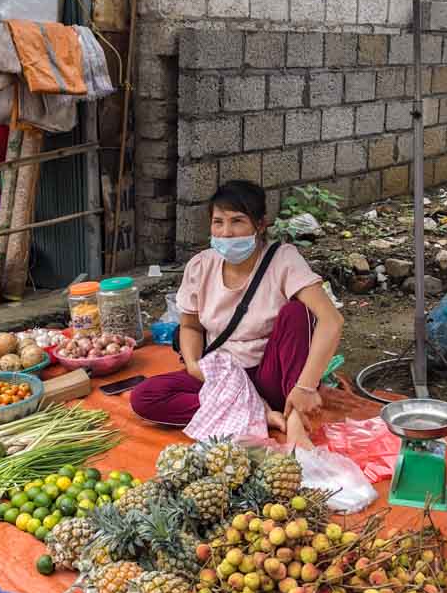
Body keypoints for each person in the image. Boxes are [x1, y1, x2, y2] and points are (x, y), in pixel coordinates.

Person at [131, 180, 343, 448]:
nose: (226, 232)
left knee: (298, 313)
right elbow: (190, 327)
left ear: (260, 225)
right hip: (223, 376)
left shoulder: (283, 260)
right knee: (146, 397)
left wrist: (306, 387)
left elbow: (331, 321)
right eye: (218, 222)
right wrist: (195, 365)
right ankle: (257, 415)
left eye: (237, 221)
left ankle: (293, 417)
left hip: (272, 377)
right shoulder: (201, 265)